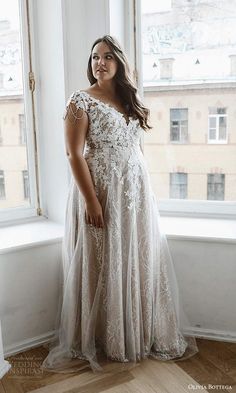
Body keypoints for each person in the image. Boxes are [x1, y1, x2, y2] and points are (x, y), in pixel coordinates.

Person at [41, 35, 199, 374]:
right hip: (100, 192)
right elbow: (73, 154)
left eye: (108, 56)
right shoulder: (80, 101)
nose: (100, 62)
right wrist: (91, 200)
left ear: (120, 63)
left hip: (134, 194)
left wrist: (143, 194)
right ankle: (106, 337)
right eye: (95, 56)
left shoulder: (130, 100)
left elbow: (135, 150)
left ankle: (134, 333)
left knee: (134, 259)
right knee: (104, 261)